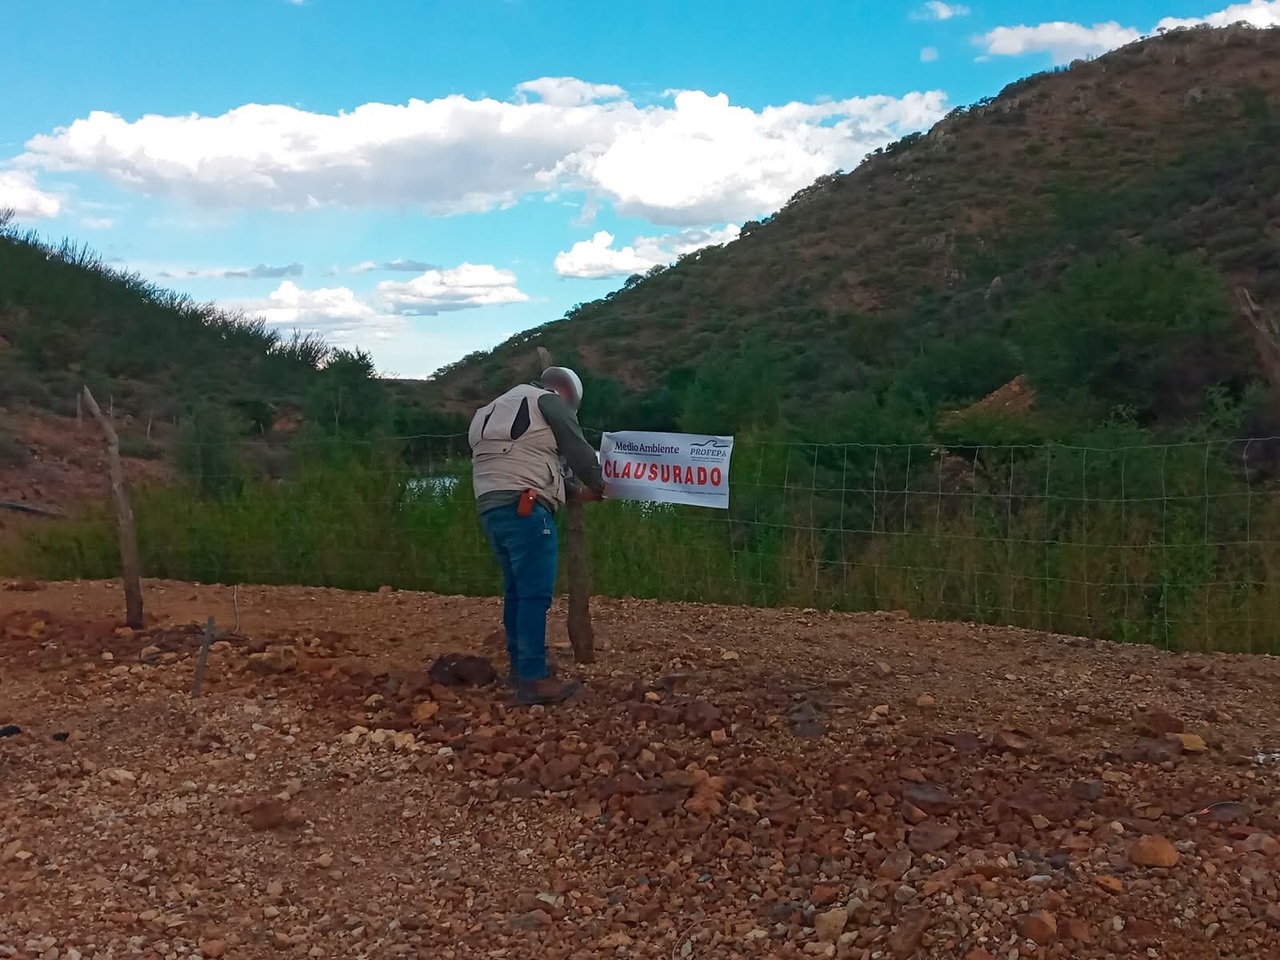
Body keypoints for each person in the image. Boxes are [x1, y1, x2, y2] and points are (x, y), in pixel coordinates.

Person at [468, 365, 607, 705]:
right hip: (526, 508)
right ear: (567, 394)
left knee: (516, 591)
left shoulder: (492, 409)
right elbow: (576, 448)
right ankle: (533, 679)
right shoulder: (549, 402)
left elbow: (524, 460)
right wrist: (600, 482)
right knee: (534, 594)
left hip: (492, 507)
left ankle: (521, 668)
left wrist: (576, 493)